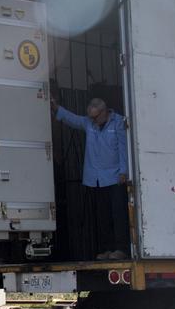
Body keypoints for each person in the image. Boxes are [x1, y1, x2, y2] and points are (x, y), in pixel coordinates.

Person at [51, 95, 130, 260]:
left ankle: (121, 248)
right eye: (90, 117)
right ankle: (106, 249)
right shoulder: (89, 122)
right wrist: (57, 108)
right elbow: (73, 119)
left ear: (104, 112)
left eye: (95, 117)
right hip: (96, 179)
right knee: (102, 217)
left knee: (118, 215)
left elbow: (124, 148)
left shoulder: (118, 122)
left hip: (115, 177)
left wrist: (124, 171)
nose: (92, 120)